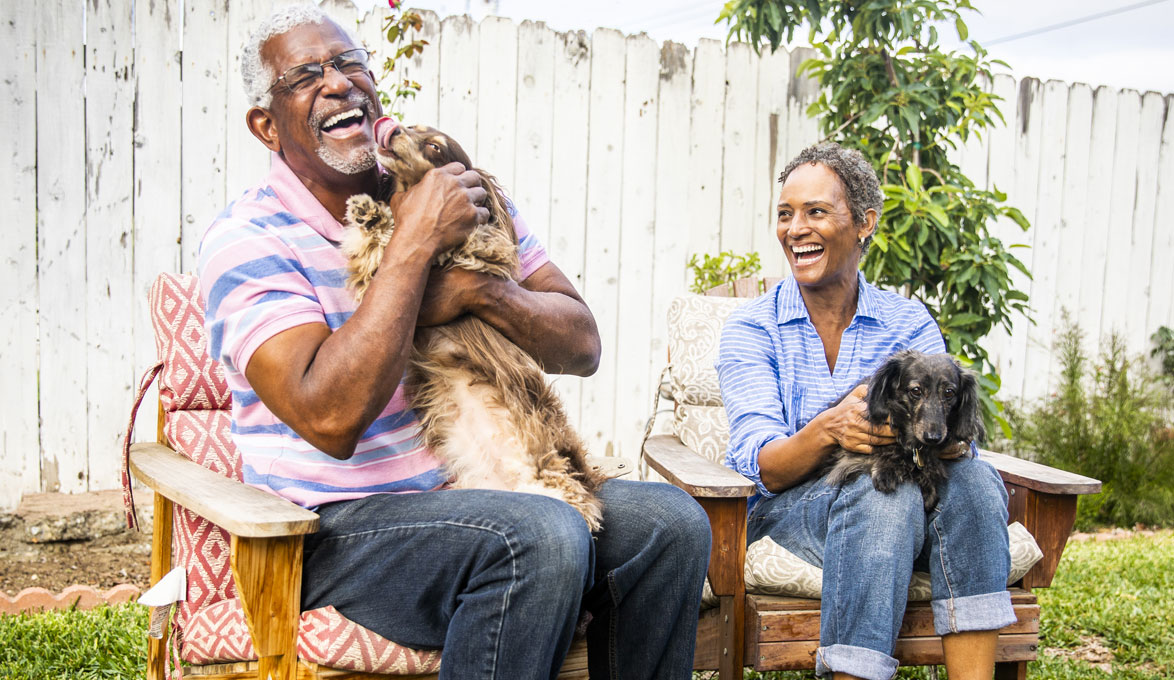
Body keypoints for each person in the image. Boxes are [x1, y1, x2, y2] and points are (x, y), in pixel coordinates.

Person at [197, 5, 710, 679]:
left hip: (486, 483)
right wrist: (413, 245)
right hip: (337, 530)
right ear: (266, 124)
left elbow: (581, 345)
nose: (339, 83)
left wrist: (480, 291)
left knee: (671, 523)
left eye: (351, 63)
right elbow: (330, 418)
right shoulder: (248, 242)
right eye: (306, 75)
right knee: (537, 537)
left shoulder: (449, 193)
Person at [716, 142, 1016, 680]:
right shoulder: (752, 328)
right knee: (886, 493)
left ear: (865, 223)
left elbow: (948, 429)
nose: (795, 228)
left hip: (916, 502)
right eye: (785, 214)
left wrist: (946, 435)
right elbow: (763, 467)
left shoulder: (907, 323)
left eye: (816, 212)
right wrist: (829, 428)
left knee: (975, 481)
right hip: (791, 510)